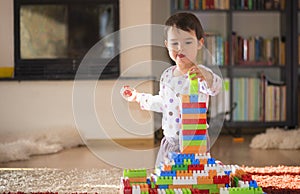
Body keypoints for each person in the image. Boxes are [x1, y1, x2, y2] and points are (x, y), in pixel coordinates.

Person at [120, 12, 222, 167]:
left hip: (195, 139)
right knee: (164, 177)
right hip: (169, 140)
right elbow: (163, 102)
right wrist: (138, 97)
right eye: (175, 43)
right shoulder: (167, 75)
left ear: (200, 43)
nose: (180, 48)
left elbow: (215, 87)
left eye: (188, 42)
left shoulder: (200, 73)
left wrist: (206, 76)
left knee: (195, 176)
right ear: (167, 45)